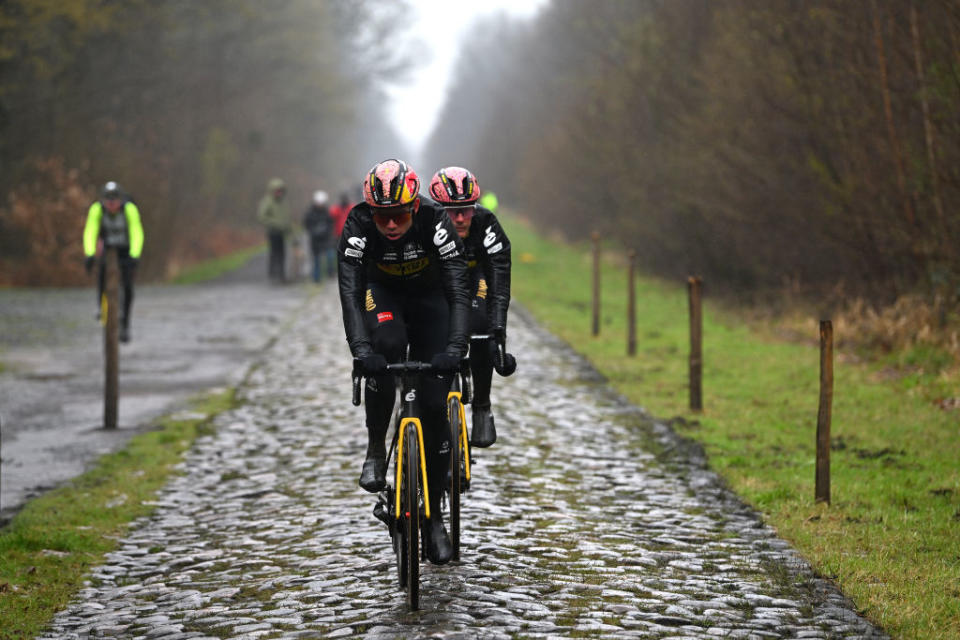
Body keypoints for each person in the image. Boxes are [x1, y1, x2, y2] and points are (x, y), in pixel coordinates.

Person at [338, 158, 470, 565]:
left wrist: (456, 347)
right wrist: (361, 352)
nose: (390, 225)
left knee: (434, 406)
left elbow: (458, 288)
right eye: (382, 216)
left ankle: (433, 519)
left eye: (397, 215)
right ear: (370, 212)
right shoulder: (358, 226)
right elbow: (350, 292)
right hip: (385, 297)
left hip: (432, 301)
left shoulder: (435, 222)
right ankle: (377, 446)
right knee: (386, 346)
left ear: (413, 207)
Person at [428, 167, 512, 447]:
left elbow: (499, 283)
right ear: (439, 209)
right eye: (452, 211)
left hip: (476, 280)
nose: (461, 218)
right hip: (439, 280)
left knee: (478, 325)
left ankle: (482, 406)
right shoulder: (426, 223)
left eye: (467, 209)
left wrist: (498, 330)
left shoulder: (486, 223)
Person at [83, 181, 144, 343]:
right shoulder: (97, 210)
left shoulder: (129, 209)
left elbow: (136, 232)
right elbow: (90, 231)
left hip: (126, 250)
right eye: (107, 200)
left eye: (114, 200)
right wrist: (89, 254)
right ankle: (101, 308)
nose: (111, 203)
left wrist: (135, 255)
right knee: (102, 277)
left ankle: (125, 324)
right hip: (107, 250)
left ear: (121, 199)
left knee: (128, 286)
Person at [257, 177, 292, 282]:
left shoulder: (283, 202)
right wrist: (275, 223)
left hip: (282, 232)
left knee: (282, 253)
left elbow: (286, 216)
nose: (279, 193)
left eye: (281, 191)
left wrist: (288, 227)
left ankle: (281, 274)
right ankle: (274, 274)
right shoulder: (267, 201)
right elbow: (262, 217)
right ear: (272, 191)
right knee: (275, 253)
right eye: (277, 191)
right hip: (273, 232)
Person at [302, 190, 335, 282]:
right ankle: (316, 279)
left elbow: (330, 223)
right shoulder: (310, 213)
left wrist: (326, 230)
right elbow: (306, 225)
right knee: (316, 260)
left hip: (326, 239)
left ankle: (330, 273)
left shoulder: (327, 212)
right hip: (315, 240)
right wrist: (314, 231)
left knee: (330, 256)